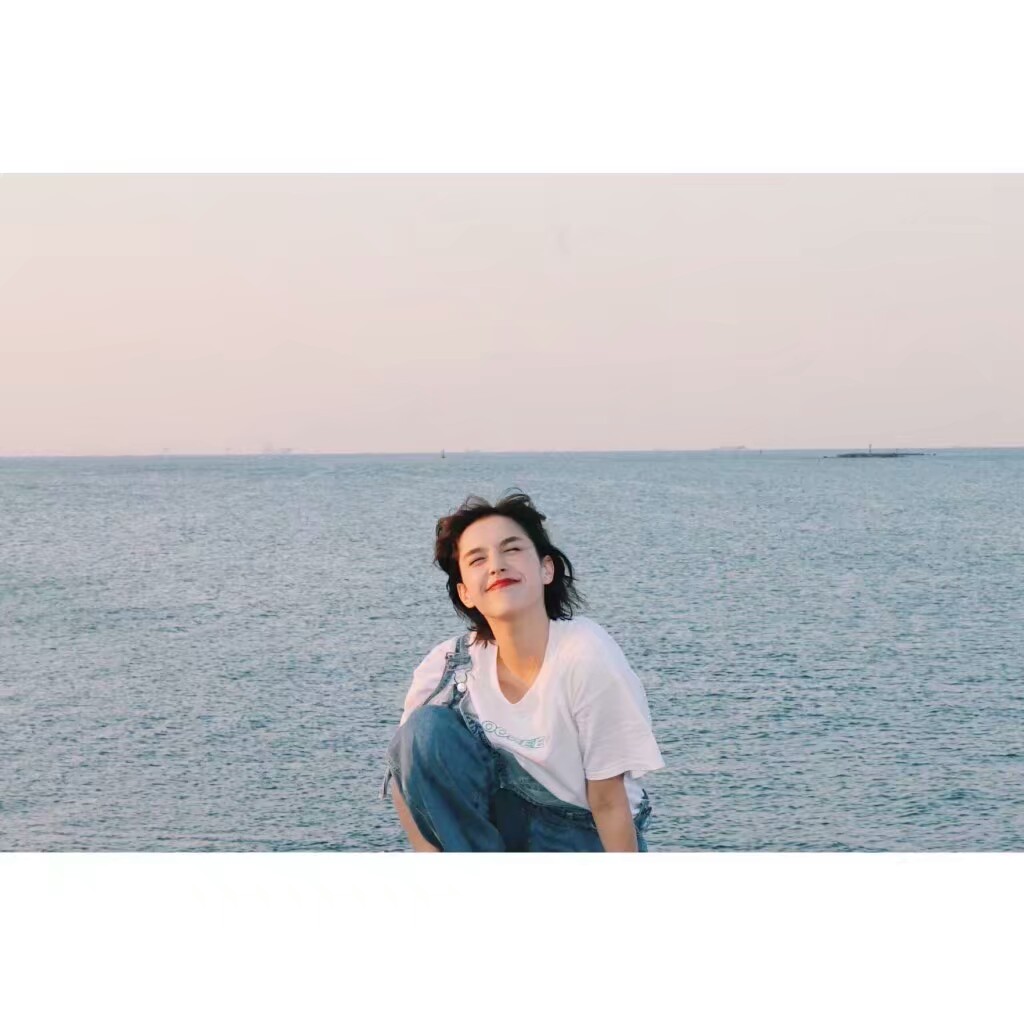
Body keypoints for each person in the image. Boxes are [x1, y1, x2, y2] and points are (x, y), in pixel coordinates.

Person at [380, 489, 664, 852]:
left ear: (546, 569)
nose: (496, 565)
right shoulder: (448, 664)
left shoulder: (585, 654)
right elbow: (406, 776)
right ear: (465, 593)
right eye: (477, 559)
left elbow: (608, 800)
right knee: (424, 731)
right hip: (494, 831)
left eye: (511, 549)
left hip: (583, 831)